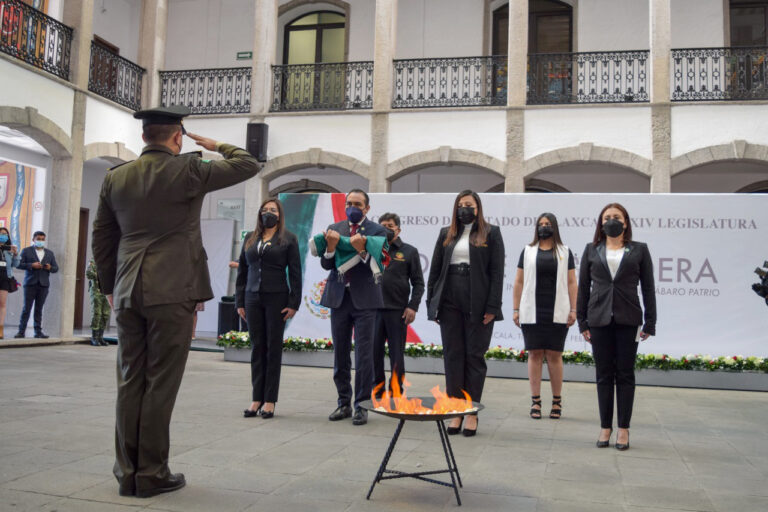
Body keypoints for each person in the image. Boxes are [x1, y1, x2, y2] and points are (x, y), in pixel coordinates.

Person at [91, 105, 262, 498]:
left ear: (143, 137)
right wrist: (216, 143)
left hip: (128, 287)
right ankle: (151, 473)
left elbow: (103, 236)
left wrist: (109, 284)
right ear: (177, 136)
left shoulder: (116, 176)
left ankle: (127, 472)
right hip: (172, 289)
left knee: (130, 379)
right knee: (160, 383)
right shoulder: (189, 170)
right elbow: (248, 162)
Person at [577, 202, 656, 451]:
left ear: (625, 222)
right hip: (598, 319)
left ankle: (623, 429)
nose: (612, 220)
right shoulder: (592, 250)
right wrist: (582, 321)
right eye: (607, 217)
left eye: (617, 216)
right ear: (601, 223)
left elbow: (648, 288)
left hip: (628, 318)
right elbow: (583, 288)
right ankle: (605, 427)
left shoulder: (639, 250)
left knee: (624, 374)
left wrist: (650, 321)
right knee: (603, 375)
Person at [426, 190, 504, 437]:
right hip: (449, 299)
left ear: (478, 208)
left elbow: (496, 273)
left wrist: (493, 307)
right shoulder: (445, 234)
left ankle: (471, 412)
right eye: (460, 205)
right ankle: (455, 409)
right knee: (453, 356)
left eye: (468, 205)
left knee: (474, 356)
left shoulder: (491, 233)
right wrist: (432, 303)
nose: (464, 209)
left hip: (478, 302)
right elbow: (435, 271)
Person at [318, 189, 388, 426]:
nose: (352, 207)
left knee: (364, 355)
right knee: (340, 353)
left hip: (365, 301)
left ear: (367, 208)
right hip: (339, 298)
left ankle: (362, 405)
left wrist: (362, 249)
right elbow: (327, 263)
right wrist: (329, 248)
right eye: (349, 203)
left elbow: (380, 265)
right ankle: (343, 403)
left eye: (358, 204)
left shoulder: (378, 232)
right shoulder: (335, 228)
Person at [236, 198, 301, 419]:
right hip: (252, 297)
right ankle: (256, 399)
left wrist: (294, 303)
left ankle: (270, 400)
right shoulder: (250, 238)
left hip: (277, 299)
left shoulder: (288, 239)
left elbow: (295, 273)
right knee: (257, 347)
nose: (268, 213)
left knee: (273, 349)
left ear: (280, 214)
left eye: (272, 210)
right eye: (264, 210)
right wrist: (239, 301)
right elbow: (242, 272)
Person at [512, 213, 577, 420]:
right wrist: (515, 309)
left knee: (555, 355)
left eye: (548, 224)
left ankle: (557, 402)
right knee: (534, 354)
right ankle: (536, 401)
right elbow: (519, 281)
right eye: (540, 224)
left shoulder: (565, 252)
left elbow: (572, 282)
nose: (544, 227)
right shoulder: (528, 251)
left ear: (555, 227)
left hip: (557, 309)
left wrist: (574, 310)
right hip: (532, 310)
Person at [373, 212, 424, 395]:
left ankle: (396, 391)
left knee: (396, 355)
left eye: (390, 226)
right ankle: (377, 390)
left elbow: (418, 282)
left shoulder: (409, 251)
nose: (386, 229)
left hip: (398, 311)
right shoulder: (372, 248)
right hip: (373, 310)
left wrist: (413, 306)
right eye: (382, 226)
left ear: (398, 229)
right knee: (373, 354)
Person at [15, 231, 58, 339]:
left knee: (39, 309)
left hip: (43, 285)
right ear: (33, 239)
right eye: (38, 239)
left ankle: (38, 332)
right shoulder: (26, 251)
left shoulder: (49, 253)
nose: (40, 241)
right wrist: (31, 265)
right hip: (30, 284)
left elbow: (56, 268)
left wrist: (50, 268)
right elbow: (18, 264)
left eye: (43, 239)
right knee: (27, 308)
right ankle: (21, 331)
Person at [0, 227, 20, 339]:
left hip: (5, 277)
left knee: (2, 303)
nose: (4, 236)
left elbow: (15, 265)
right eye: (1, 233)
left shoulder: (9, 249)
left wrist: (16, 254)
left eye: (5, 234)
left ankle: (1, 329)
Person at [86, 258, 110, 346]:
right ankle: (94, 337)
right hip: (96, 291)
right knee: (97, 313)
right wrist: (101, 275)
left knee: (105, 314)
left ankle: (101, 337)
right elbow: (88, 274)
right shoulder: (93, 261)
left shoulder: (110, 262)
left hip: (107, 291)